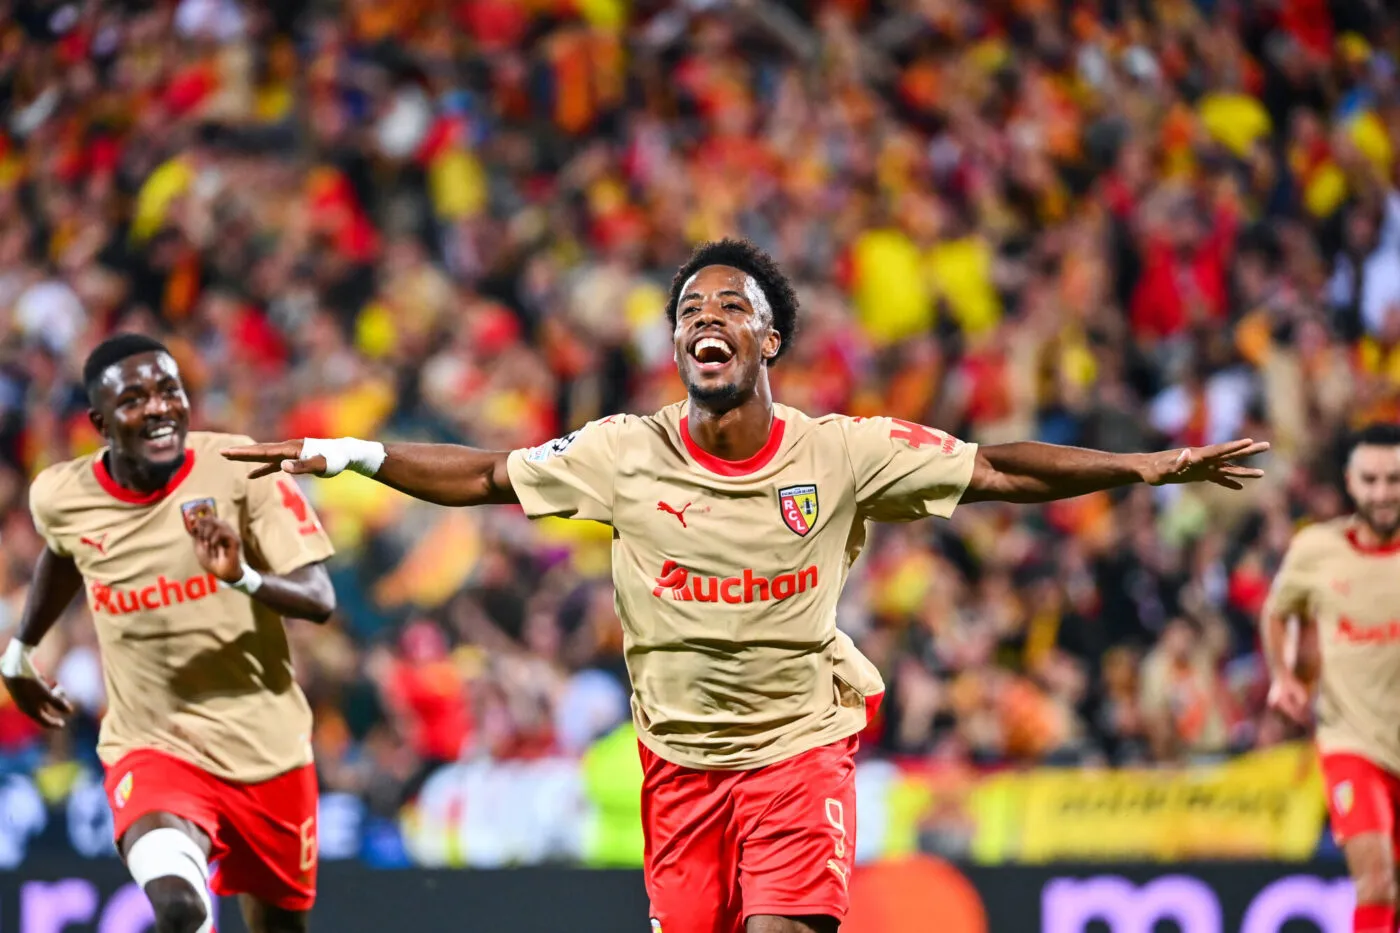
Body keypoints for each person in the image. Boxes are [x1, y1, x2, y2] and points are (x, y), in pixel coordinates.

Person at [226, 239, 1267, 933]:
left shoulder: (842, 453)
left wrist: (1147, 467)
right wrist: (351, 452)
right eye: (689, 308)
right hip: (677, 767)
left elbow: (996, 467)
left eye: (732, 305)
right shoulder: (622, 452)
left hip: (795, 752)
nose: (705, 317)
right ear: (677, 342)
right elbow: (486, 475)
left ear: (769, 340)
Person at [1, 334, 336, 933]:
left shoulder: (242, 467)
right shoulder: (60, 494)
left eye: (169, 391)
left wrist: (243, 578)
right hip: (153, 745)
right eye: (135, 399)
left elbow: (319, 598)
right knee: (181, 909)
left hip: (268, 751)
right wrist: (20, 654)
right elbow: (63, 552)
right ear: (101, 423)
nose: (158, 407)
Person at [1263, 422, 1400, 933]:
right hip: (1352, 743)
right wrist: (1284, 675)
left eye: (1393, 480)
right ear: (1350, 481)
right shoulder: (1317, 551)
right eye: (1371, 479)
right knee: (1377, 882)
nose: (1382, 492)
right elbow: (1276, 611)